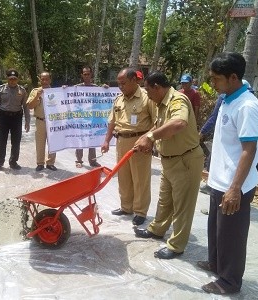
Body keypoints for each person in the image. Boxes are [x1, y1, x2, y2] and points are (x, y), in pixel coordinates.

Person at [198, 52, 258, 295]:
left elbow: (249, 149)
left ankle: (229, 281)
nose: (212, 84)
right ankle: (216, 263)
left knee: (231, 236)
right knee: (216, 229)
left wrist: (235, 188)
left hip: (235, 184)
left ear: (233, 77)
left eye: (216, 79)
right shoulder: (228, 99)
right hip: (219, 180)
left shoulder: (247, 106)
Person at [133, 71, 204, 259]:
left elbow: (179, 123)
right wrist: (146, 137)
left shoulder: (177, 100)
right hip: (169, 160)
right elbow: (159, 126)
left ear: (157, 87)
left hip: (185, 160)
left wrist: (151, 137)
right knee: (165, 201)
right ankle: (157, 229)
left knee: (182, 206)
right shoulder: (160, 103)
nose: (147, 94)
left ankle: (176, 246)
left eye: (148, 90)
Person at [101, 67, 156, 226]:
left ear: (134, 80)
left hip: (140, 141)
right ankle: (126, 207)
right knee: (123, 176)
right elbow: (112, 121)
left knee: (140, 178)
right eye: (118, 83)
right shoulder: (118, 99)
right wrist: (106, 140)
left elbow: (157, 122)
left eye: (123, 83)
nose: (120, 86)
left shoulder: (147, 98)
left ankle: (140, 211)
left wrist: (149, 140)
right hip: (121, 141)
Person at [0, 69, 30, 171]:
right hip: (4, 117)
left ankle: (13, 162)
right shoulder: (0, 89)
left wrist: (27, 121)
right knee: (2, 140)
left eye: (14, 79)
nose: (12, 81)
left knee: (16, 141)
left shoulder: (22, 90)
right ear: (7, 79)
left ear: (17, 79)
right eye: (10, 79)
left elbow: (25, 106)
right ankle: (0, 162)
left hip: (17, 118)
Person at [26, 71, 58, 172]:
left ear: (50, 80)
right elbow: (30, 106)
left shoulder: (56, 91)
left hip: (53, 121)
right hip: (40, 121)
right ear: (40, 80)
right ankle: (40, 163)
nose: (44, 81)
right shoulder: (35, 91)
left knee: (53, 143)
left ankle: (50, 163)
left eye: (46, 79)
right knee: (40, 143)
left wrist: (65, 90)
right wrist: (37, 96)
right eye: (42, 79)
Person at [74, 66, 101, 168]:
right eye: (84, 74)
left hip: (93, 119)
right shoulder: (76, 87)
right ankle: (79, 160)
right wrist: (64, 89)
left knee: (92, 140)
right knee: (80, 139)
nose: (86, 76)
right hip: (81, 118)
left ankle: (92, 161)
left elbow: (104, 97)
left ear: (91, 74)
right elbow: (68, 96)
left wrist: (106, 89)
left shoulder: (96, 88)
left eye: (88, 74)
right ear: (82, 75)